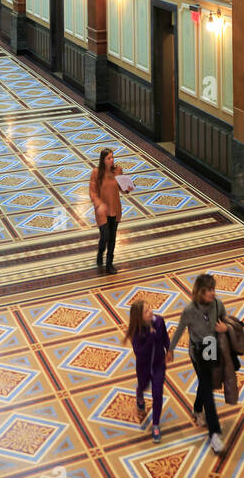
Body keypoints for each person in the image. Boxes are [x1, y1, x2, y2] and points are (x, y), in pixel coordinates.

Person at [167, 274, 227, 455]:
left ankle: (196, 408)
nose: (212, 293)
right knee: (208, 389)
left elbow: (226, 320)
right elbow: (179, 330)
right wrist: (170, 350)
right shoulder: (189, 310)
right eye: (208, 290)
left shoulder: (218, 304)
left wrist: (225, 328)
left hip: (213, 351)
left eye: (213, 289)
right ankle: (214, 435)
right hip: (197, 355)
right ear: (199, 292)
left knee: (205, 384)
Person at [124, 296, 169, 441]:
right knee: (143, 385)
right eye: (146, 311)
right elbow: (139, 352)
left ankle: (155, 424)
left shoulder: (160, 321)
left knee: (158, 393)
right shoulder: (136, 332)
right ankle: (139, 393)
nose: (150, 312)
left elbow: (165, 338)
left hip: (158, 366)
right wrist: (150, 337)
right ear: (139, 318)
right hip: (143, 367)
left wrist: (169, 350)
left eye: (150, 308)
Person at [89, 148, 131, 273]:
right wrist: (98, 204)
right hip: (102, 211)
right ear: (103, 160)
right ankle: (100, 252)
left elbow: (122, 188)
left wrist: (127, 188)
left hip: (115, 208)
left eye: (112, 157)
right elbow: (92, 192)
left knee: (112, 237)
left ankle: (109, 263)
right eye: (109, 158)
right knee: (105, 236)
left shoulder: (118, 170)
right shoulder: (96, 173)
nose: (112, 160)